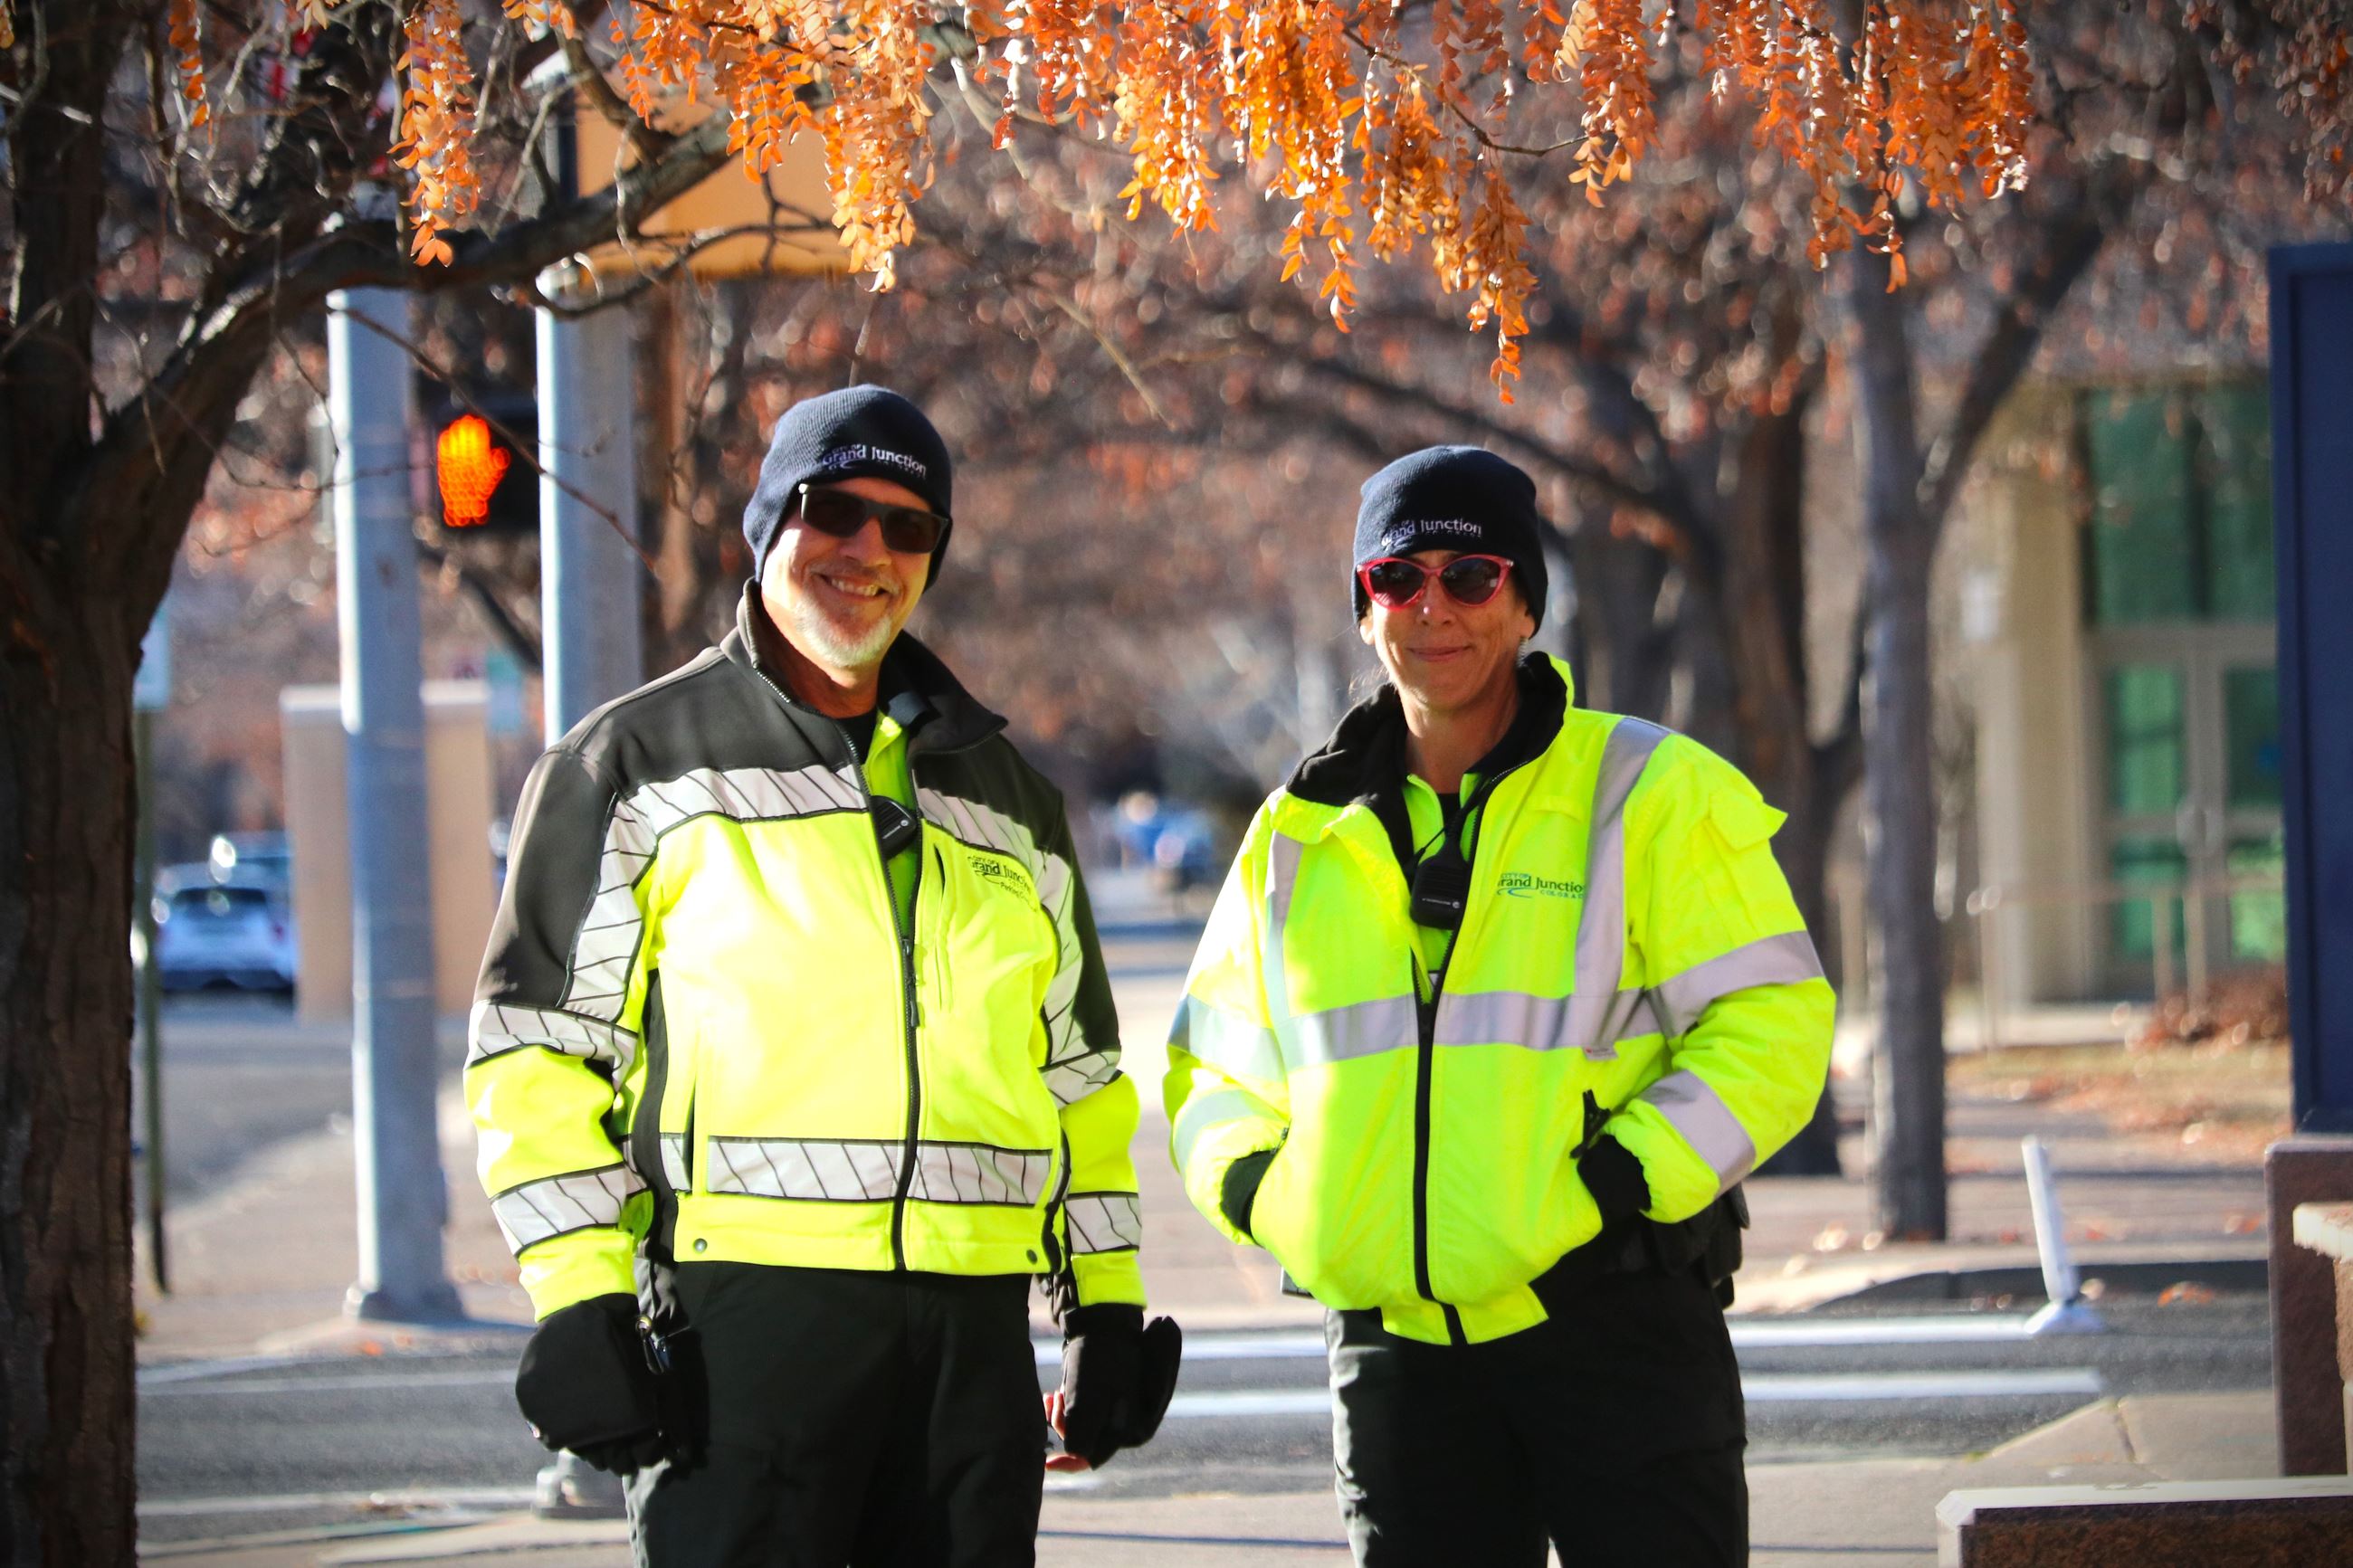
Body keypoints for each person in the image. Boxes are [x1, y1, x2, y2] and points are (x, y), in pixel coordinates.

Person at [471, 385, 1178, 1566]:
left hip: (970, 1349)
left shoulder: (1010, 797)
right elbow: (537, 1053)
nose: (868, 549)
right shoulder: (632, 763)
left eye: (908, 526)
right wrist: (579, 1297)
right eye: (834, 510)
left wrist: (1101, 1303)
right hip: (741, 1334)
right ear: (767, 526)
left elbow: (1079, 1082)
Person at [1163, 446, 1834, 1566]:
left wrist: (1618, 1182)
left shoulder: (1647, 788)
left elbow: (1771, 1020)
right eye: (1396, 577)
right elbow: (1213, 1067)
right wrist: (1273, 1200)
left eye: (1470, 575)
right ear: (1364, 609)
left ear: (1524, 604)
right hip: (1396, 1354)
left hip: (1614, 1325)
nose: (1433, 606)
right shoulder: (1294, 830)